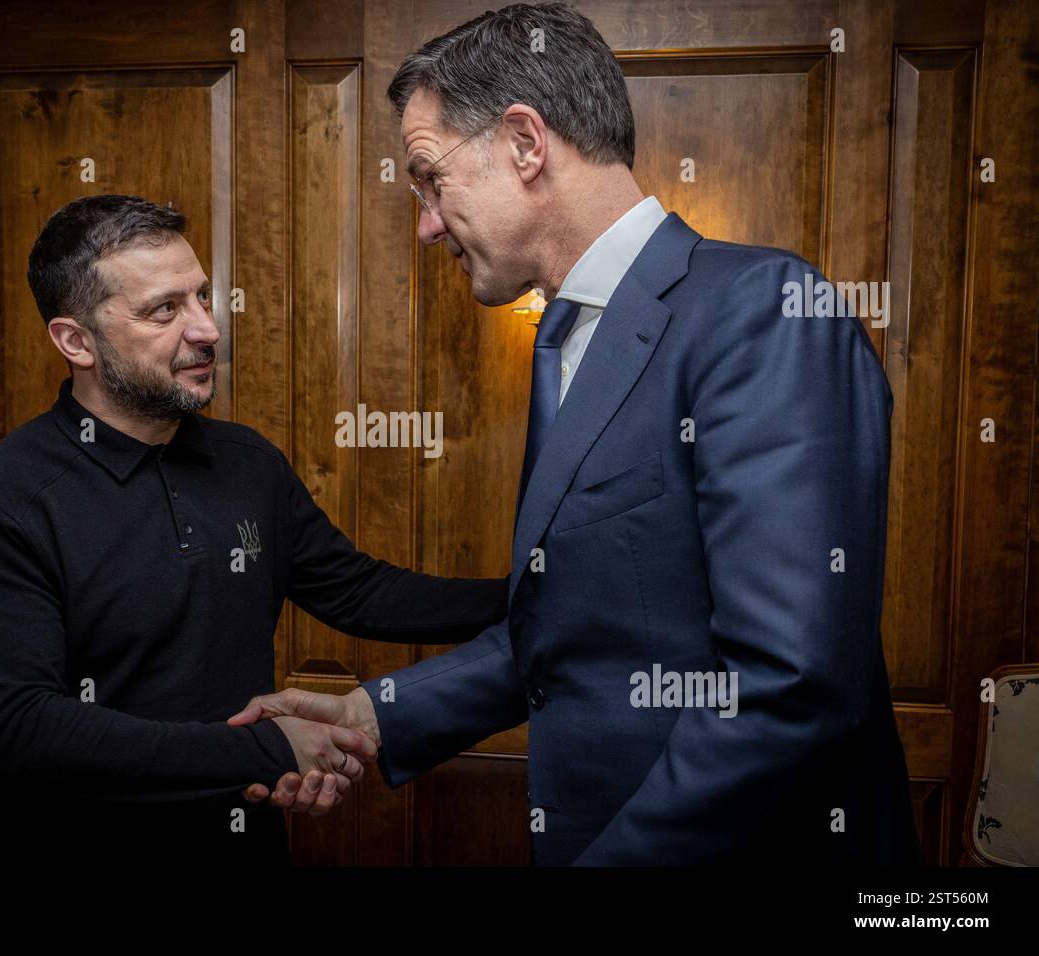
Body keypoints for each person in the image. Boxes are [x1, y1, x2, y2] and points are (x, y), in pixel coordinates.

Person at [231, 1, 922, 866]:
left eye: (430, 177)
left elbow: (788, 686)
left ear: (525, 142)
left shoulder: (761, 313)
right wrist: (375, 715)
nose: (426, 223)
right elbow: (578, 629)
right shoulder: (566, 340)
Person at [0, 194, 508, 865]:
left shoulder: (247, 462)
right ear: (75, 341)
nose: (207, 329)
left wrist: (534, 593)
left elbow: (358, 591)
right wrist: (269, 748)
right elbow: (21, 733)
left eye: (203, 297)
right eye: (164, 310)